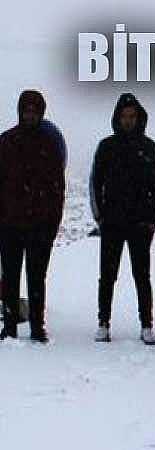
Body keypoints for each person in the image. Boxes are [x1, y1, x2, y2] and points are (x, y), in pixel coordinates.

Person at [89, 93, 155, 345]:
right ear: (118, 118)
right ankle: (103, 323)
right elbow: (95, 182)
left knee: (142, 276)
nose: (128, 120)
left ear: (138, 118)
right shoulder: (106, 147)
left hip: (140, 224)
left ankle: (146, 325)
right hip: (112, 222)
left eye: (132, 116)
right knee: (107, 276)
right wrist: (99, 216)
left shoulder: (148, 147)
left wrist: (152, 220)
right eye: (124, 116)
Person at [0, 90, 66, 343]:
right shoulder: (6, 142)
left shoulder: (49, 145)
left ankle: (37, 326)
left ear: (41, 113)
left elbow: (57, 189)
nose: (29, 115)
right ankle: (10, 326)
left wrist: (52, 222)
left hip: (40, 225)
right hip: (9, 224)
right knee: (10, 277)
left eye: (34, 111)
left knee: (37, 277)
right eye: (26, 110)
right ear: (20, 112)